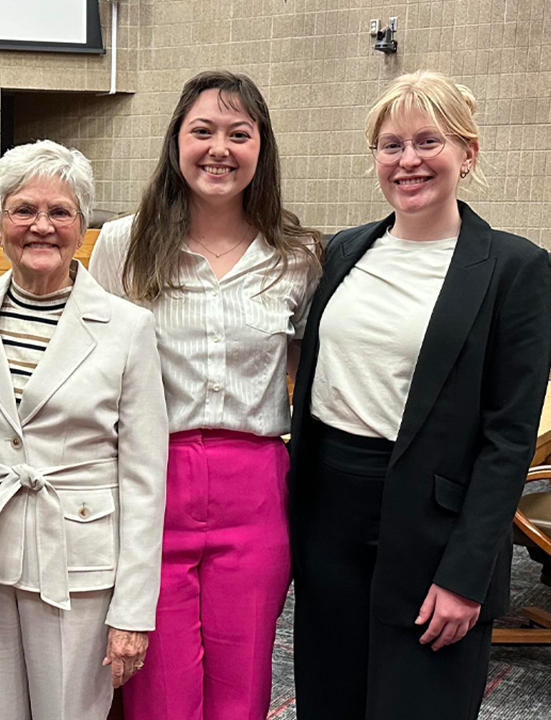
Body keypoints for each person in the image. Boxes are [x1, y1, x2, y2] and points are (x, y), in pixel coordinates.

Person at [287, 70, 551, 719]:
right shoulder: (347, 250)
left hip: (434, 525)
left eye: (428, 141)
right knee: (330, 695)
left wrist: (467, 573)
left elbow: (508, 438)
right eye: (391, 145)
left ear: (468, 152)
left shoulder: (513, 269)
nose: (408, 161)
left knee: (419, 702)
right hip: (329, 511)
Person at [88, 71, 322, 720]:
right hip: (149, 481)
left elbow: (311, 377)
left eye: (238, 134)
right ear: (176, 143)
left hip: (254, 486)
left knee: (243, 685)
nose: (220, 148)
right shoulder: (122, 245)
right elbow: (94, 374)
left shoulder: (296, 257)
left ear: (260, 149)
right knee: (157, 688)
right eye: (203, 131)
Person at [0, 139, 169, 720]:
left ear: (82, 225)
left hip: (78, 562)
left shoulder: (128, 327)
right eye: (23, 210)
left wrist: (133, 610)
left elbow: (144, 477)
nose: (42, 226)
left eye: (60, 212)